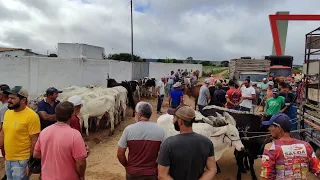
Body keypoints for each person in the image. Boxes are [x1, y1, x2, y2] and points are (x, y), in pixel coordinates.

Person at [157, 105, 217, 179]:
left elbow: (162, 175)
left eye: (174, 118)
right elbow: (212, 169)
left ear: (180, 121)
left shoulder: (168, 144)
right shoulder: (207, 142)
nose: (173, 120)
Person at [33, 101, 87, 180]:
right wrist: (81, 176)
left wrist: (53, 155)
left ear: (56, 115)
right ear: (72, 115)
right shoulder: (75, 135)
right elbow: (81, 163)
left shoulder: (44, 131)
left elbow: (36, 154)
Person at [260, 113, 320, 179]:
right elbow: (318, 170)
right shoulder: (306, 146)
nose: (269, 129)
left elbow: (266, 177)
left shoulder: (271, 148)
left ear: (279, 128)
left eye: (271, 126)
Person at [0, 86, 40, 180]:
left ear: (23, 100)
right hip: (8, 159)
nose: (9, 100)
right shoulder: (8, 113)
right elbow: (3, 133)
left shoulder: (32, 116)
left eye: (13, 98)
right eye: (9, 97)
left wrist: (29, 163)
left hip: (22, 161)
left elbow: (35, 140)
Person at [117, 102, 166, 180]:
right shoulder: (160, 130)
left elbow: (120, 153)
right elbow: (165, 153)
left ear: (139, 115)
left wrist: (127, 166)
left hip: (133, 174)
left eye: (135, 113)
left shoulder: (128, 129)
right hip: (152, 173)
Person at [0, 84, 9, 180]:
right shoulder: (6, 106)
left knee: (7, 156)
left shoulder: (4, 108)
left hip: (5, 137)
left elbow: (2, 126)